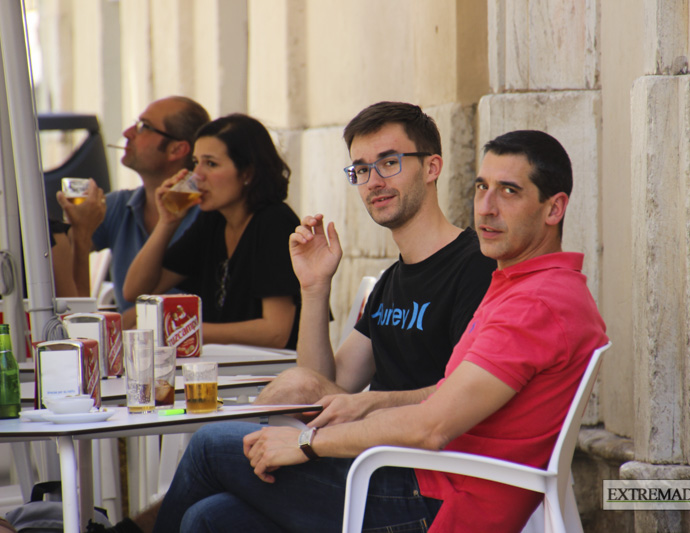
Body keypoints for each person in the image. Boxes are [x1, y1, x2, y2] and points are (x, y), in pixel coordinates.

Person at [150, 129, 608, 532]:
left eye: (509, 191)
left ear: (554, 209)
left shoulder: (536, 302)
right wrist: (317, 294)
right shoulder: (517, 284)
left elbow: (432, 426)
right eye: (481, 187)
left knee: (211, 446)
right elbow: (345, 385)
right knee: (210, 518)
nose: (486, 208)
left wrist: (309, 443)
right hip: (414, 475)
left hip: (435, 501)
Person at [252, 101, 496, 428]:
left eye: (389, 162)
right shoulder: (390, 281)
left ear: (432, 168)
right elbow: (327, 383)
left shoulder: (477, 266)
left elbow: (467, 394)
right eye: (363, 170)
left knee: (213, 452)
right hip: (362, 451)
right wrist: (313, 288)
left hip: (410, 462)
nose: (374, 182)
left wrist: (368, 404)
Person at [122, 114, 301, 349]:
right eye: (196, 162)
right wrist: (167, 223)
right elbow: (135, 291)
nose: (197, 176)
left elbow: (276, 332)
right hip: (225, 365)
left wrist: (186, 329)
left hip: (269, 370)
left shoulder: (274, 222)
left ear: (247, 173)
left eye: (211, 164)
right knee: (133, 317)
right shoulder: (213, 221)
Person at [57, 96, 210, 327]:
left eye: (144, 127)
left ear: (177, 149)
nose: (128, 133)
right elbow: (61, 279)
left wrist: (127, 320)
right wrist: (79, 231)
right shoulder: (120, 204)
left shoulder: (207, 211)